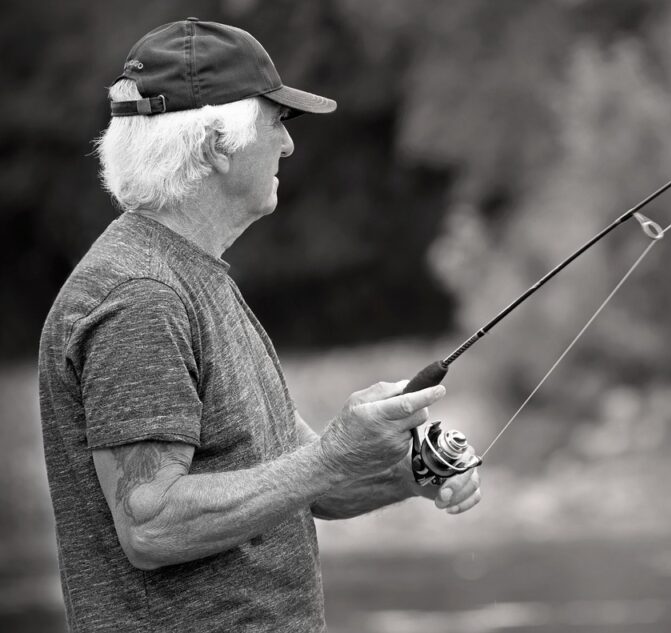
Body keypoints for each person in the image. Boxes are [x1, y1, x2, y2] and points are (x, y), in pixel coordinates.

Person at [37, 18, 481, 633]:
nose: (289, 146)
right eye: (278, 121)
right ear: (219, 143)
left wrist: (410, 474)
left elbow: (303, 484)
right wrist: (332, 455)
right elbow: (150, 523)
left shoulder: (195, 274)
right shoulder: (141, 296)